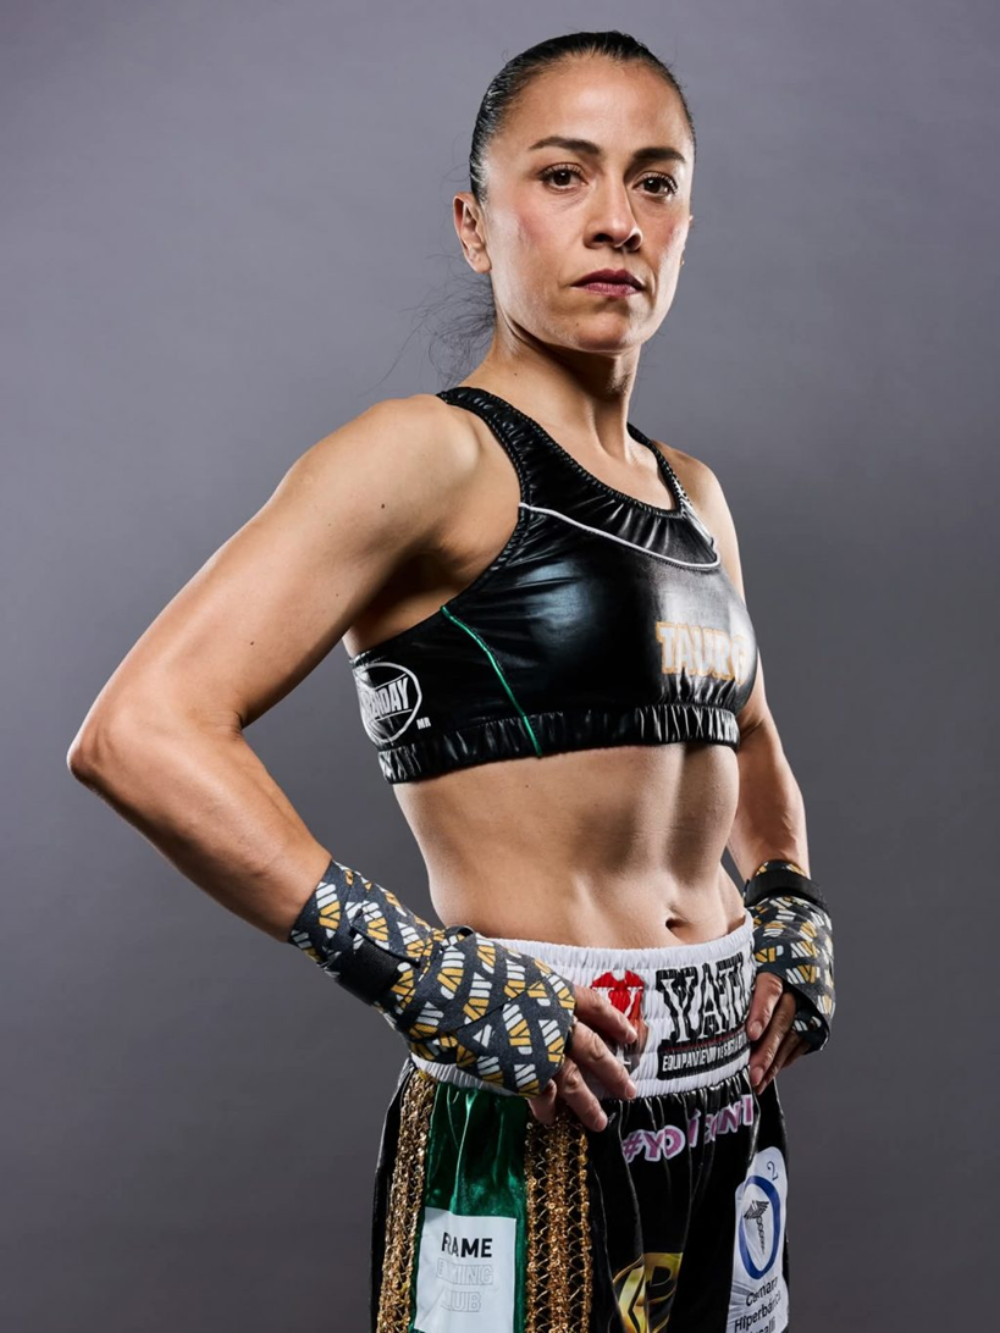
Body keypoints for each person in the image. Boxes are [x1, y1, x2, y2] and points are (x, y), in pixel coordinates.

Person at [67, 29, 835, 1333]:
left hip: (723, 1107)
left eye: (654, 181)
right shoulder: (429, 459)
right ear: (476, 226)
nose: (616, 218)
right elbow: (139, 733)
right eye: (563, 174)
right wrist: (420, 972)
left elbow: (745, 734)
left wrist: (790, 898)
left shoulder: (693, 495)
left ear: (686, 225)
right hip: (543, 1105)